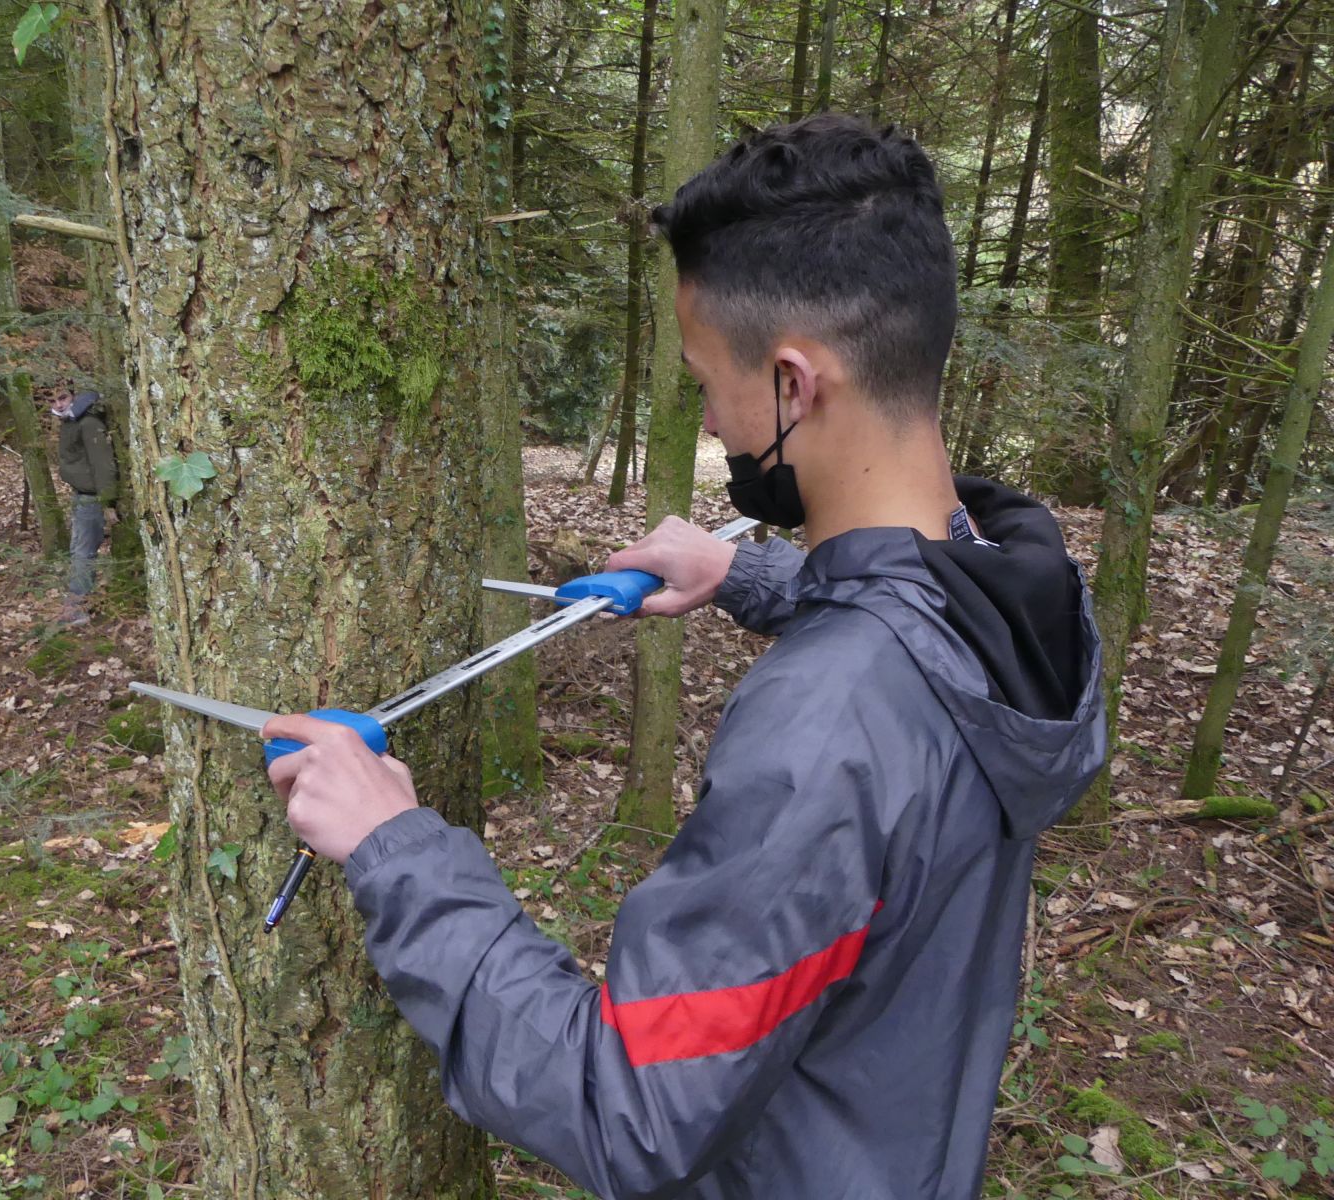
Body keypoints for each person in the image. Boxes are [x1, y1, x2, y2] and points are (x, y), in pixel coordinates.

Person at [261, 114, 1107, 1199]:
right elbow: (906, 636)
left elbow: (636, 1109)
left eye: (709, 380)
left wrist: (395, 853)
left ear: (795, 385)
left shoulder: (825, 731)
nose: (712, 422)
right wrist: (747, 574)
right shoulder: (1014, 579)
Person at [48, 384, 118, 626]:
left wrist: (108, 502)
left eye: (63, 397)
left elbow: (103, 465)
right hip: (81, 495)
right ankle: (77, 605)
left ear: (74, 396)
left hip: (92, 497)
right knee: (79, 549)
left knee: (82, 552)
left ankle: (76, 610)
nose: (58, 404)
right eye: (53, 401)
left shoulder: (88, 423)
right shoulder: (70, 422)